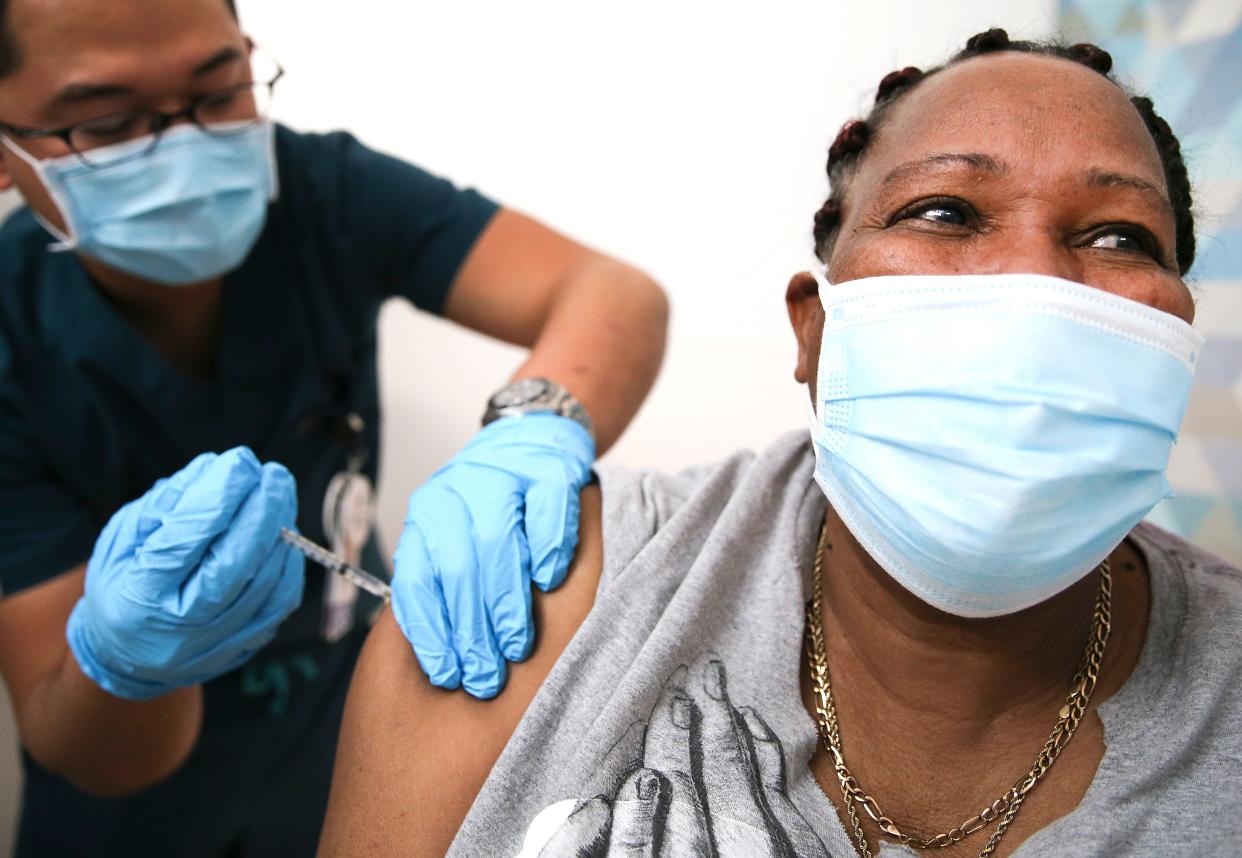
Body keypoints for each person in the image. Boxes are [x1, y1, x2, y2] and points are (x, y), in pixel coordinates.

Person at [318, 29, 1242, 858]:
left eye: (1120, 235)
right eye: (946, 212)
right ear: (815, 331)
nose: (1036, 283)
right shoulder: (539, 591)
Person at [0, 0, 667, 854]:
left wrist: (533, 427)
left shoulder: (320, 191)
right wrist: (126, 663)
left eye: (219, 92)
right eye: (109, 122)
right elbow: (91, 749)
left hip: (337, 738)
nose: (186, 149)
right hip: (132, 815)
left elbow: (611, 292)